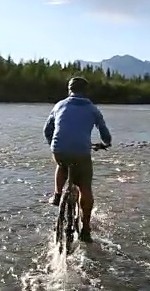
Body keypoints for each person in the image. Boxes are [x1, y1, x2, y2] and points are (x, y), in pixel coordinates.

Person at [43, 76, 112, 243]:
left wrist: (54, 144)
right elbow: (105, 133)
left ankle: (58, 195)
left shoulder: (59, 105)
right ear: (86, 91)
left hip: (59, 150)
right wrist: (105, 143)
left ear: (69, 89)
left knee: (61, 165)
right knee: (85, 186)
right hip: (81, 152)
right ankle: (86, 229)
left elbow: (47, 130)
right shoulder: (93, 108)